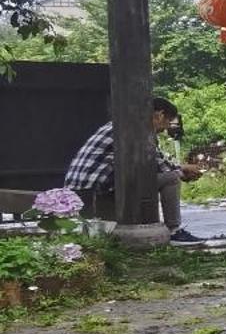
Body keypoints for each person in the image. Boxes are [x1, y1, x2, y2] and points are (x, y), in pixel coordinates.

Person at [62, 97, 206, 244]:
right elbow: (162, 167)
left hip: (79, 186)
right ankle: (174, 229)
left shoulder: (120, 124)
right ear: (160, 115)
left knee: (168, 175)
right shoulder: (139, 130)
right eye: (167, 122)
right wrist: (184, 171)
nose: (165, 129)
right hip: (95, 187)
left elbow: (156, 161)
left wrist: (181, 168)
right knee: (172, 178)